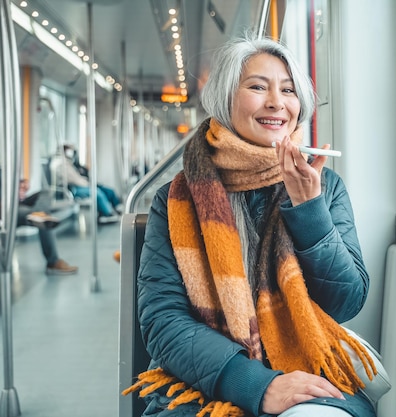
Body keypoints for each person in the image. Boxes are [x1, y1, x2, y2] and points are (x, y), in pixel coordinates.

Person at [123, 35, 375, 417]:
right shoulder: (176, 201)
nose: (276, 102)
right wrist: (256, 383)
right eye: (258, 87)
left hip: (305, 367)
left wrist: (309, 208)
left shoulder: (323, 185)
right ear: (226, 99)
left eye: (288, 90)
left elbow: (345, 302)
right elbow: (163, 320)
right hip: (202, 381)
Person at [16, 178, 79, 275]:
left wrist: (20, 186)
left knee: (46, 192)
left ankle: (38, 214)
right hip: (6, 208)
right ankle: (53, 262)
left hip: (16, 202)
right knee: (45, 219)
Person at [55, 144, 122, 223]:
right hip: (73, 188)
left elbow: (77, 177)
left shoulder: (68, 162)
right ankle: (107, 213)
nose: (71, 152)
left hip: (80, 184)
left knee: (108, 190)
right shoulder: (60, 163)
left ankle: (115, 208)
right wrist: (88, 184)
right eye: (70, 150)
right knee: (97, 193)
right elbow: (74, 180)